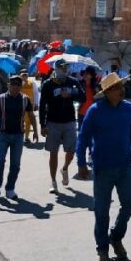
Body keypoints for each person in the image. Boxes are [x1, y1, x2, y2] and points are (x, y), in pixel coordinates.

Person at [76, 72, 131, 261]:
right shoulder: (95, 110)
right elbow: (83, 138)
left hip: (124, 166)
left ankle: (116, 236)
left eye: (121, 87)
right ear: (106, 92)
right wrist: (81, 162)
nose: (121, 91)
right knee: (101, 210)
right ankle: (102, 248)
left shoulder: (129, 108)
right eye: (116, 88)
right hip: (102, 168)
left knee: (130, 202)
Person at [0, 76, 38, 199]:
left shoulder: (25, 100)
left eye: (18, 84)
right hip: (3, 135)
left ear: (21, 86)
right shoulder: (1, 99)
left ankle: (10, 189)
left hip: (18, 136)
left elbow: (31, 116)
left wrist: (35, 131)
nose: (15, 87)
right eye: (13, 84)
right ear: (8, 85)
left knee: (15, 164)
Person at [40, 60, 84, 191]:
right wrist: (42, 124)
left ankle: (64, 168)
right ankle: (53, 182)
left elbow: (83, 97)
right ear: (56, 69)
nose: (65, 71)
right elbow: (42, 105)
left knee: (71, 151)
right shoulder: (48, 84)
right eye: (62, 68)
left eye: (66, 68)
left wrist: (70, 94)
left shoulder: (72, 82)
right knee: (53, 153)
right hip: (53, 121)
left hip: (69, 120)